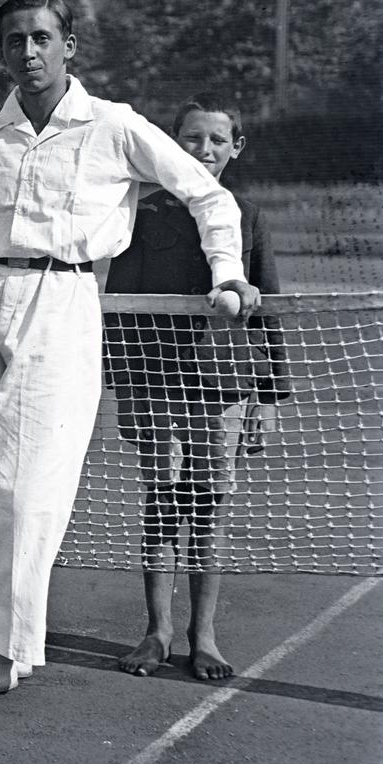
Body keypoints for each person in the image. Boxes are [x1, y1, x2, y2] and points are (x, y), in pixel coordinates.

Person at [0, 0, 260, 706]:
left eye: (41, 37)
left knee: (31, 487)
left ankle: (1, 654)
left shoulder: (114, 125)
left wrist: (227, 272)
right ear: (1, 50)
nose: (28, 51)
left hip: (63, 302)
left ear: (69, 45)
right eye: (14, 39)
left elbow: (210, 197)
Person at [105, 96, 289, 680]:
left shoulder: (249, 217)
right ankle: (156, 632)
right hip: (154, 384)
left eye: (216, 140)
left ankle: (202, 636)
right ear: (171, 142)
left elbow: (268, 311)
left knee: (208, 510)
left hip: (223, 387)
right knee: (161, 504)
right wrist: (125, 390)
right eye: (191, 138)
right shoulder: (143, 214)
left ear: (236, 148)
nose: (203, 150)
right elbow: (119, 310)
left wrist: (268, 398)